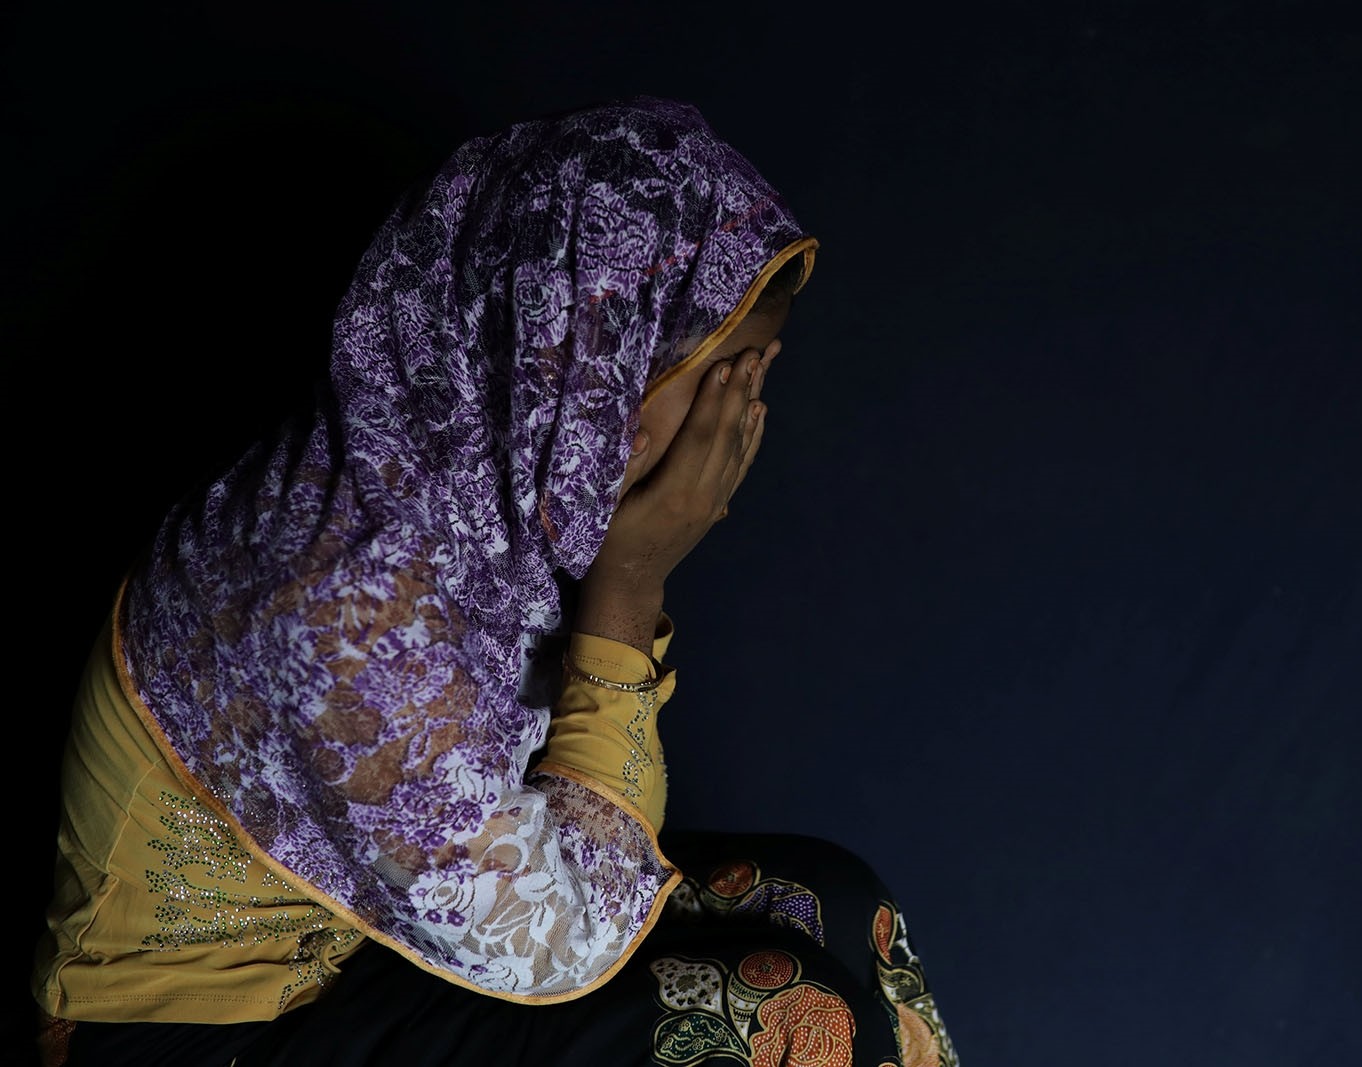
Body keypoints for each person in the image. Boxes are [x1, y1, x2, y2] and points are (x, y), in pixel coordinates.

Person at [29, 96, 959, 1066]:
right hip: (189, 1035)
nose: (734, 428)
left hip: (379, 944)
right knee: (785, 1024)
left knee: (836, 900)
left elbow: (554, 824)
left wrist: (620, 578)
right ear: (595, 355)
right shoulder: (346, 607)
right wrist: (631, 583)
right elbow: (559, 944)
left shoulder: (478, 504)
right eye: (721, 376)